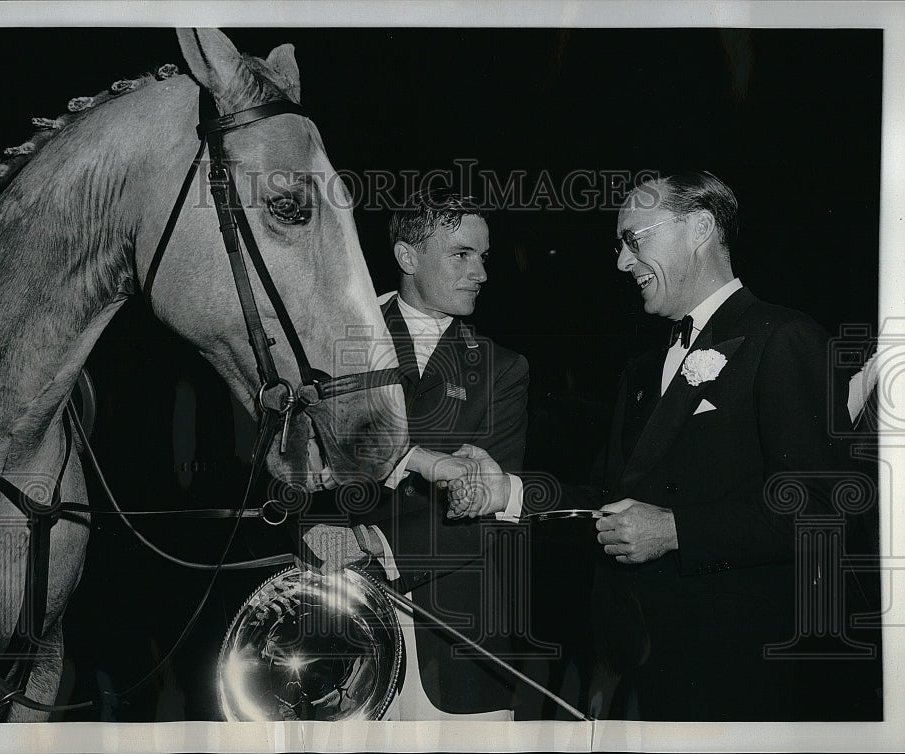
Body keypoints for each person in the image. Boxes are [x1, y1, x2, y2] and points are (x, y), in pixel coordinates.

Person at [451, 170, 868, 721]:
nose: (622, 263)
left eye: (634, 239)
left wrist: (676, 530)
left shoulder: (784, 338)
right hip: (635, 663)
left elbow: (821, 510)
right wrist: (505, 492)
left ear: (699, 227)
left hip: (731, 672)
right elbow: (608, 501)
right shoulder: (643, 370)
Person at [302, 187, 530, 720]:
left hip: (457, 638)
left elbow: (489, 504)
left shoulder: (503, 369)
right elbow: (292, 464)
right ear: (408, 257)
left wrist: (375, 543)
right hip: (334, 636)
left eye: (484, 257)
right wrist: (311, 531)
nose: (481, 273)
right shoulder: (334, 337)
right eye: (462, 255)